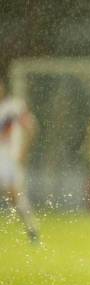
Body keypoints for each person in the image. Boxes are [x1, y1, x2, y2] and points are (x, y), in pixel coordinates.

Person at [0, 77, 39, 243]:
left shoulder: (13, 106)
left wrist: (24, 150)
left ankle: (31, 228)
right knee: (13, 195)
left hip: (10, 158)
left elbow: (31, 126)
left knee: (15, 194)